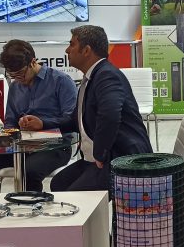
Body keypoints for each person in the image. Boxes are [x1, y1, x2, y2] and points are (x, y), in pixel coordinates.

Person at [20, 25, 152, 192]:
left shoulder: (106, 75)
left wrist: (100, 155)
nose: (67, 50)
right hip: (100, 158)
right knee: (59, 184)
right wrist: (43, 123)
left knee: (73, 196)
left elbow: (110, 116)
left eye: (72, 44)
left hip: (122, 159)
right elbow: (75, 121)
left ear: (86, 50)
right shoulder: (92, 77)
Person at [0, 40, 77, 192]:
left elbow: (71, 120)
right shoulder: (15, 86)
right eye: (12, 75)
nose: (17, 79)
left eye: (20, 74)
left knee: (29, 172)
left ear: (33, 62)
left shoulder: (61, 81)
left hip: (55, 146)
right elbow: (10, 121)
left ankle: (31, 205)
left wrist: (43, 123)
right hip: (21, 145)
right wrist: (8, 135)